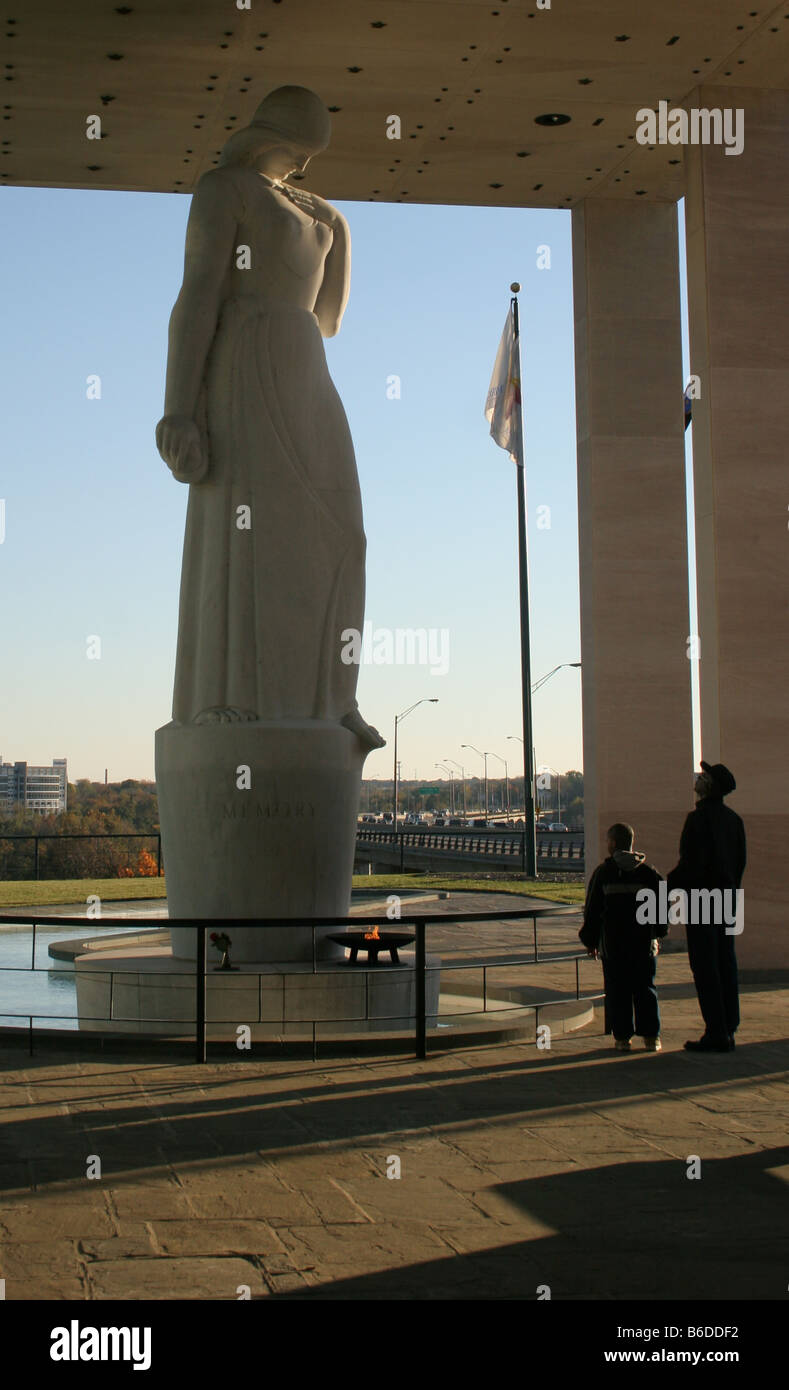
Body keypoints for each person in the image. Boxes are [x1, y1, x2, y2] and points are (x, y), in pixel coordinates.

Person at [155, 85, 384, 749]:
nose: (307, 162)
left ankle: (333, 695)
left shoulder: (330, 217)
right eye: (301, 144)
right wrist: (180, 407)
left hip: (305, 368)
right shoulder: (223, 187)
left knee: (342, 534)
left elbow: (330, 319)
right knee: (247, 528)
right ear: (274, 132)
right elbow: (197, 295)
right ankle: (229, 696)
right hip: (243, 360)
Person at [667, 762, 746, 1053]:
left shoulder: (697, 820)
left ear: (709, 786)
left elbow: (690, 864)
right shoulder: (734, 820)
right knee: (726, 961)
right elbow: (740, 864)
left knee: (705, 965)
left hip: (702, 900)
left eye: (704, 776)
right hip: (727, 899)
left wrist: (668, 887)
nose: (698, 778)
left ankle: (715, 1031)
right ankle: (729, 1025)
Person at [580, 823, 666, 1052]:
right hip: (643, 944)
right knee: (645, 988)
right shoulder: (649, 874)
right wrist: (657, 934)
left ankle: (622, 1038)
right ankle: (651, 1037)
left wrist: (590, 940)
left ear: (614, 843)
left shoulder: (604, 873)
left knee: (618, 991)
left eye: (608, 840)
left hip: (613, 944)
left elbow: (593, 910)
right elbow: (661, 909)